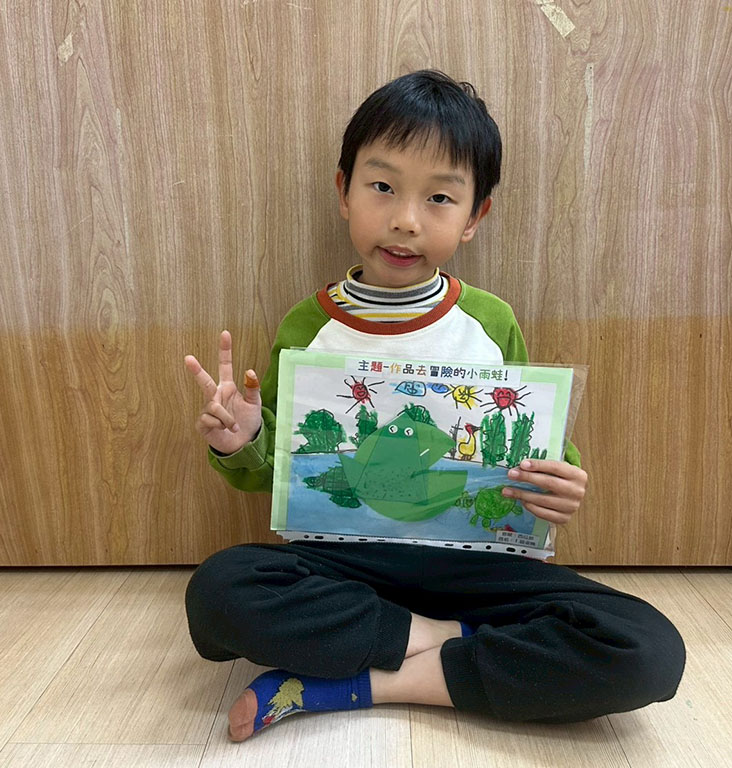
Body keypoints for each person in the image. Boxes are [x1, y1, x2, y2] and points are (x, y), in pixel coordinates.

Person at [183, 70, 685, 743]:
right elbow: (278, 474)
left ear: (475, 217)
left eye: (440, 197)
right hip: (346, 566)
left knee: (647, 648)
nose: (405, 219)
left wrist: (560, 482)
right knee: (219, 591)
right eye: (382, 187)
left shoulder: (490, 321)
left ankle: (365, 680)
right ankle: (452, 642)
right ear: (343, 191)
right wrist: (242, 440)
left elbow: (530, 442)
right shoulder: (309, 324)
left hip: (478, 569)